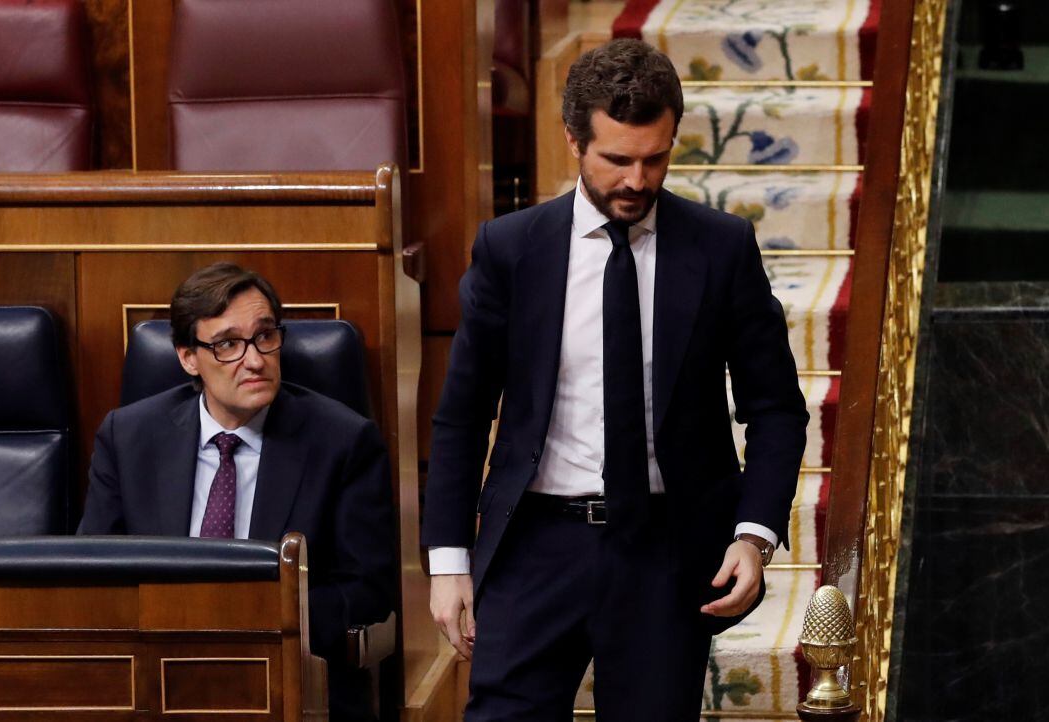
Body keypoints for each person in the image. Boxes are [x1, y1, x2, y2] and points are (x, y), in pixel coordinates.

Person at [421, 38, 808, 721]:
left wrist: (753, 534)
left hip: (666, 548)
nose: (636, 180)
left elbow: (776, 408)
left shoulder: (719, 249)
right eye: (617, 160)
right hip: (536, 543)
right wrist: (448, 560)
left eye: (655, 160)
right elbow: (460, 415)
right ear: (574, 140)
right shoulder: (511, 250)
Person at [78, 262, 395, 722]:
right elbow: (95, 573)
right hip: (157, 680)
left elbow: (369, 589)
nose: (254, 359)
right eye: (228, 344)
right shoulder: (128, 437)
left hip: (284, 682)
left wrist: (252, 624)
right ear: (189, 357)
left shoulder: (343, 441)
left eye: (266, 336)